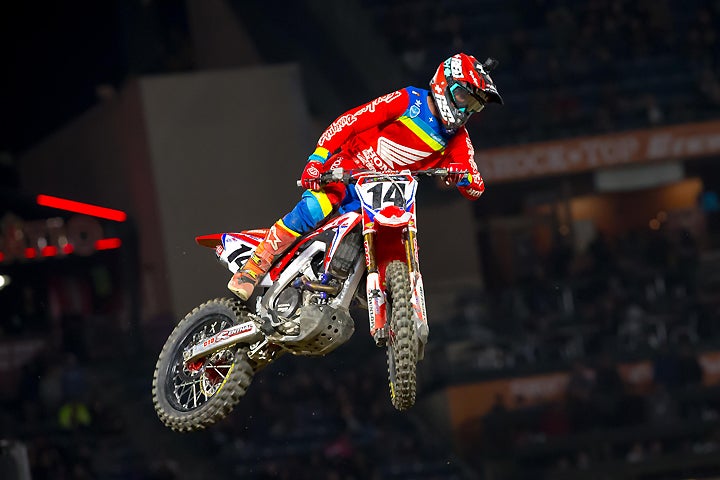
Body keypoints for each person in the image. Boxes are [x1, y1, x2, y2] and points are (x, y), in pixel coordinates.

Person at [228, 52, 504, 300]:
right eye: (465, 98)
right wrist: (316, 160)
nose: (467, 109)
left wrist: (464, 178)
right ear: (445, 83)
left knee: (398, 240)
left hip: (386, 199)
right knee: (314, 208)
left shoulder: (457, 139)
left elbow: (476, 184)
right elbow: (350, 120)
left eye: (475, 106)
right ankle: (254, 267)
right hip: (346, 175)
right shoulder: (408, 100)